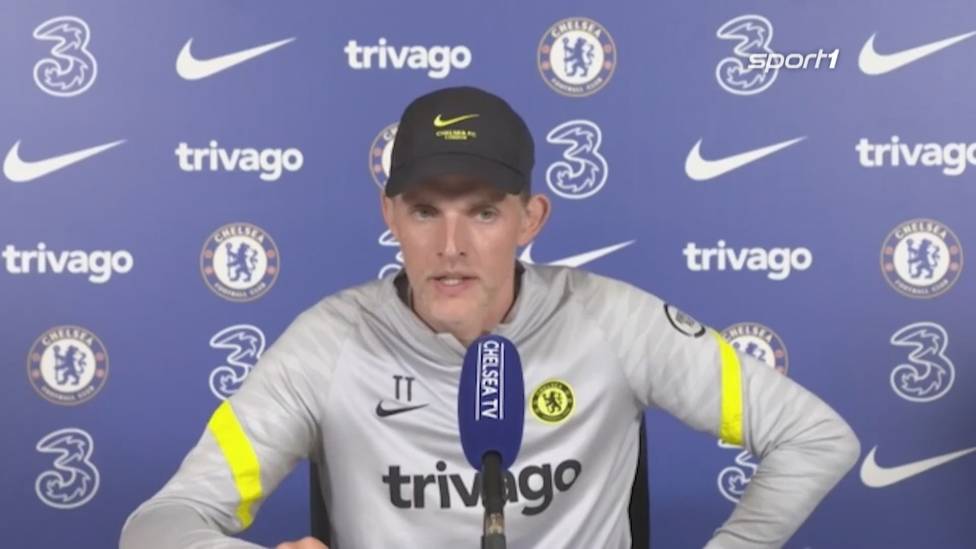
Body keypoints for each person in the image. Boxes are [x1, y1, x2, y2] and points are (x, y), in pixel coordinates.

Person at [120, 86, 861, 549]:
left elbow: (816, 437)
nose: (451, 246)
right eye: (424, 211)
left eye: (482, 212)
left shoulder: (609, 319)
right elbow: (160, 523)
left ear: (530, 218)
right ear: (390, 215)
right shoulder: (327, 343)